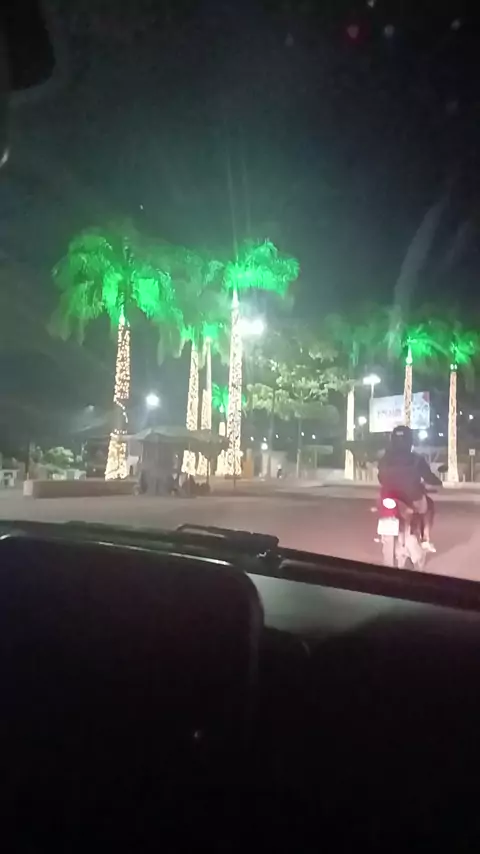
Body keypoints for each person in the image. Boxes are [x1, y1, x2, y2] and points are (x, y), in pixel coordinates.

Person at [378, 425, 442, 552]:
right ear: (410, 441)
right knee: (428, 506)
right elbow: (428, 477)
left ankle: (386, 537)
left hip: (388, 496)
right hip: (412, 497)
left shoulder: (385, 459)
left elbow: (380, 477)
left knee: (382, 509)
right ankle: (425, 539)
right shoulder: (417, 459)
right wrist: (438, 483)